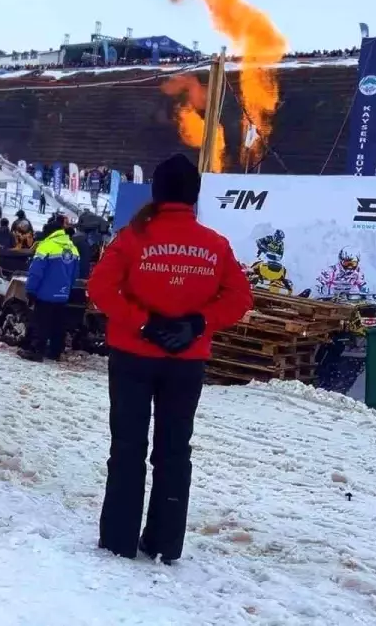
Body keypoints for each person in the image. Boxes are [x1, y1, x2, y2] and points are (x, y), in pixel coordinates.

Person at [87, 153, 252, 565]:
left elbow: (100, 288)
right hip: (186, 361)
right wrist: (197, 323)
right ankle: (164, 542)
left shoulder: (132, 238)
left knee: (127, 445)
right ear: (194, 195)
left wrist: (143, 323)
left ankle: (119, 539)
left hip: (132, 356)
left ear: (155, 192)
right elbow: (239, 298)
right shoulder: (215, 245)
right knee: (175, 450)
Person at [19, 215, 79, 362]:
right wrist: (67, 289)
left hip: (45, 293)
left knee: (40, 322)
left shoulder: (46, 246)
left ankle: (36, 351)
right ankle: (55, 352)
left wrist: (31, 290)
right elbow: (75, 274)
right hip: (63, 294)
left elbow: (36, 272)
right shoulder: (72, 248)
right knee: (58, 324)